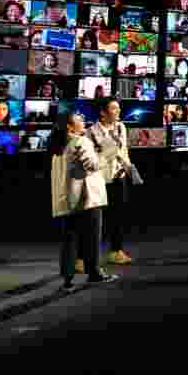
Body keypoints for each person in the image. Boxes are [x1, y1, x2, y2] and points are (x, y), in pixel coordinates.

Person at [50, 111, 117, 289]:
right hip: (88, 198)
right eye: (79, 119)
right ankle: (94, 272)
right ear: (69, 126)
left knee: (69, 238)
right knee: (93, 237)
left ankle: (67, 280)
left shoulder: (58, 145)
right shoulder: (80, 141)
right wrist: (109, 151)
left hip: (69, 199)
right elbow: (92, 166)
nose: (84, 120)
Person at [88, 98, 141, 267]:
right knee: (96, 219)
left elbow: (124, 151)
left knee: (118, 216)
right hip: (100, 179)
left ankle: (116, 251)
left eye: (118, 108)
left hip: (119, 177)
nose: (118, 111)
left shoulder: (121, 127)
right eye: (113, 108)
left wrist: (130, 170)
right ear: (103, 112)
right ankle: (86, 256)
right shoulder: (92, 132)